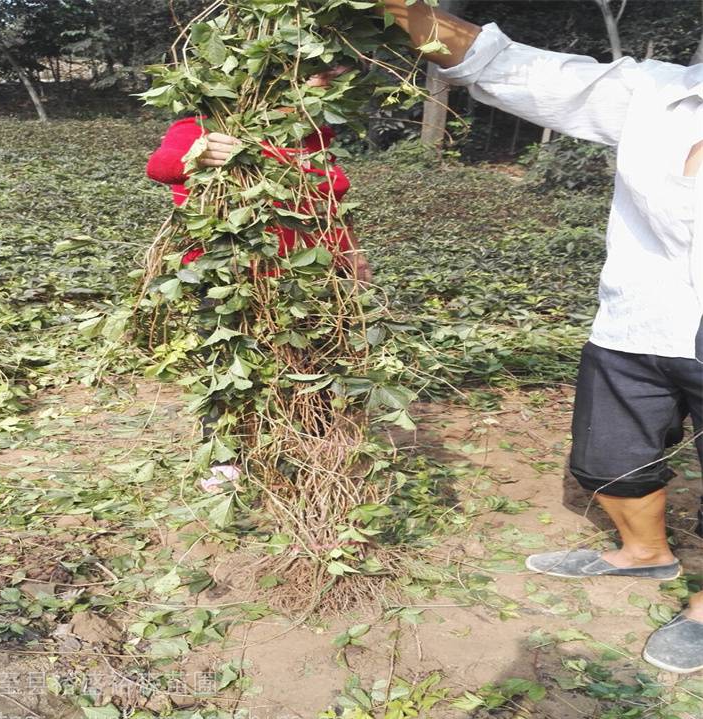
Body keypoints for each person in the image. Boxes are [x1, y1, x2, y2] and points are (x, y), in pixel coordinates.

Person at [380, 0, 703, 673]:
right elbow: (505, 64)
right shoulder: (658, 95)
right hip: (641, 318)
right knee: (606, 455)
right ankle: (644, 554)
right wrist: (395, 9)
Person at [146, 67, 371, 283]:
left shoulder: (316, 136)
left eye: (341, 81)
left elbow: (330, 205)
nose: (333, 88)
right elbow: (159, 165)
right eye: (324, 77)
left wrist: (351, 251)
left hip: (318, 278)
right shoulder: (209, 128)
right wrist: (198, 156)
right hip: (238, 283)